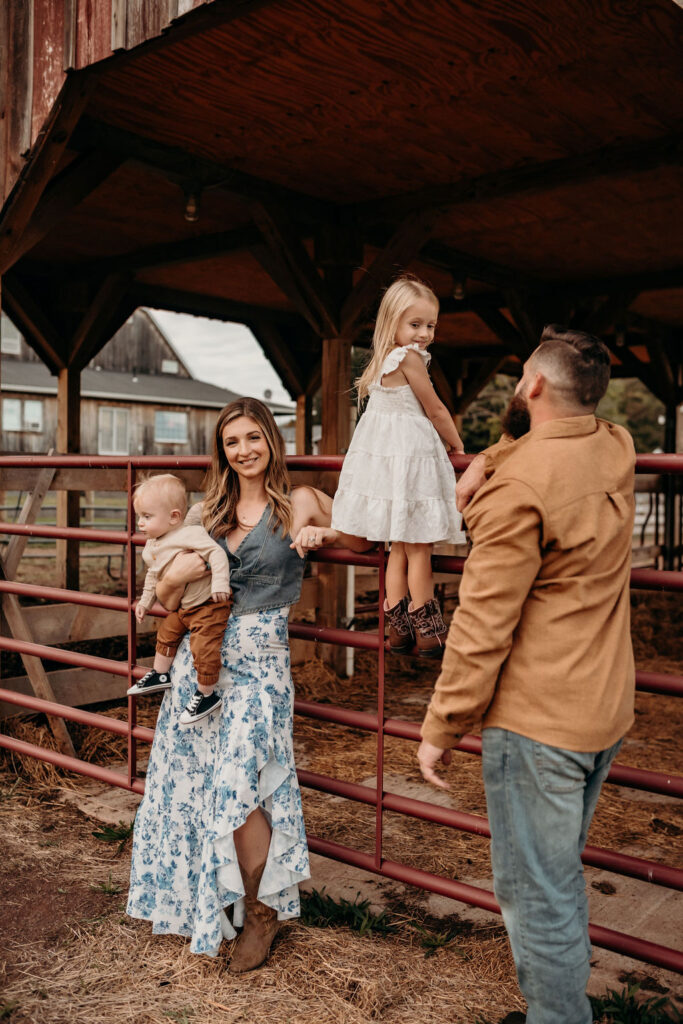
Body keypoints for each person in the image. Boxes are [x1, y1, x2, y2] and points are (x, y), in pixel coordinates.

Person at [417, 326, 636, 1024]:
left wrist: (440, 725)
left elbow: (481, 625)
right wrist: (494, 455)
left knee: (536, 894)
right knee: (556, 876)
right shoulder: (614, 445)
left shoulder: (517, 491)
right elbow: (553, 441)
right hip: (603, 708)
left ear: (532, 386)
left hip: (536, 721)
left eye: (519, 379)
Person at [127, 398, 369, 972]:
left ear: (271, 441)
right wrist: (180, 575)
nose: (244, 451)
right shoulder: (208, 511)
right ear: (223, 450)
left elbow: (361, 541)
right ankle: (212, 901)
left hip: (261, 667)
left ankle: (262, 912)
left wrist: (323, 532)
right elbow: (165, 593)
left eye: (253, 438)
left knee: (242, 785)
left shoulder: (300, 501)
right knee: (202, 783)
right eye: (232, 442)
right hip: (200, 664)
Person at [332, 275, 466, 657]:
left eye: (431, 325)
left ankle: (398, 626)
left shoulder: (382, 361)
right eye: (416, 324)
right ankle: (428, 627)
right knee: (419, 546)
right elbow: (434, 408)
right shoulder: (408, 358)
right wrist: (456, 443)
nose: (424, 333)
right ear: (392, 323)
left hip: (387, 469)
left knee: (397, 549)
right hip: (408, 464)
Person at [127, 473, 232, 726]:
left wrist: (220, 583)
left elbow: (217, 554)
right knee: (166, 632)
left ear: (174, 517)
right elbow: (153, 575)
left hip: (208, 604)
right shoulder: (153, 544)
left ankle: (207, 695)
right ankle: (160, 674)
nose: (140, 523)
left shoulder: (189, 534)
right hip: (185, 607)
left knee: (203, 647)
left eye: (147, 517)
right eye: (139, 516)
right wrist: (144, 603)